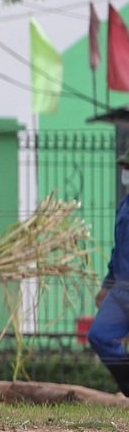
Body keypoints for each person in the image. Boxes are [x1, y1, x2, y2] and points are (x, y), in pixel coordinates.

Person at [86, 151, 129, 394]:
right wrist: (107, 284)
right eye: (126, 168)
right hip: (121, 289)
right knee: (99, 335)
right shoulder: (125, 204)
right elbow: (118, 249)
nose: (126, 174)